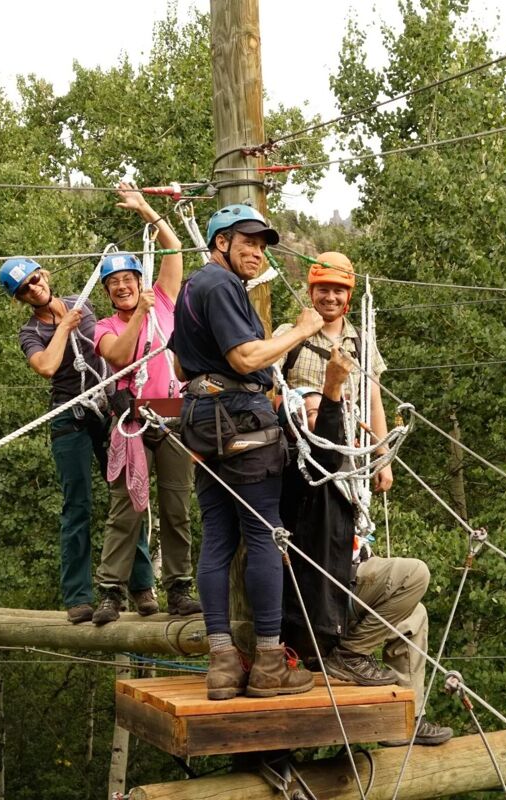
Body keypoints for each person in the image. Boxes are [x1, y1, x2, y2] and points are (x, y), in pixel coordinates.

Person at [170, 203, 323, 701]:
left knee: (217, 537)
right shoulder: (222, 285)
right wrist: (299, 331)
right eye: (247, 242)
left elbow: (179, 366)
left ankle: (221, 663)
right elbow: (243, 357)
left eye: (261, 244)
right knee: (263, 535)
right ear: (221, 243)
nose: (256, 251)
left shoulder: (193, 288)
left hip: (201, 419)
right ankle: (270, 663)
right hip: (241, 421)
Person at [279, 346, 453, 745]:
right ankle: (350, 655)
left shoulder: (341, 467)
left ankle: (403, 720)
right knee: (415, 574)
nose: (315, 417)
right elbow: (322, 440)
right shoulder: (300, 465)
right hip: (323, 595)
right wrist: (333, 390)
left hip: (347, 583)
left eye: (319, 410)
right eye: (306, 413)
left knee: (414, 617)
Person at [0, 256, 154, 624]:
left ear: (44, 274)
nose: (34, 287)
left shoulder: (83, 303)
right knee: (77, 505)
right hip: (70, 416)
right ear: (20, 298)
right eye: (25, 289)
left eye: (35, 279)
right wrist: (64, 327)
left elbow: (111, 342)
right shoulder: (31, 332)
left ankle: (142, 585)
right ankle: (79, 597)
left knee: (129, 494)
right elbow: (47, 366)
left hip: (106, 408)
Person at [92, 184, 200, 626]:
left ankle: (179, 587)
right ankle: (111, 592)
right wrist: (139, 311)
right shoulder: (103, 325)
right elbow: (118, 356)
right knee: (127, 511)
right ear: (108, 292)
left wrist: (145, 210)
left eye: (128, 280)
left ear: (140, 280)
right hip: (132, 420)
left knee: (176, 508)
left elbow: (174, 249)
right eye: (114, 284)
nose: (122, 288)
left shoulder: (165, 303)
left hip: (172, 416)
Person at [273, 251, 393, 493]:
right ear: (311, 292)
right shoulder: (289, 333)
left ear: (348, 296)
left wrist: (383, 458)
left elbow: (373, 403)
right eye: (323, 290)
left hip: (345, 453)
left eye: (338, 291)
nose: (330, 298)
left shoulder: (362, 343)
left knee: (345, 526)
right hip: (296, 452)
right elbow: (264, 384)